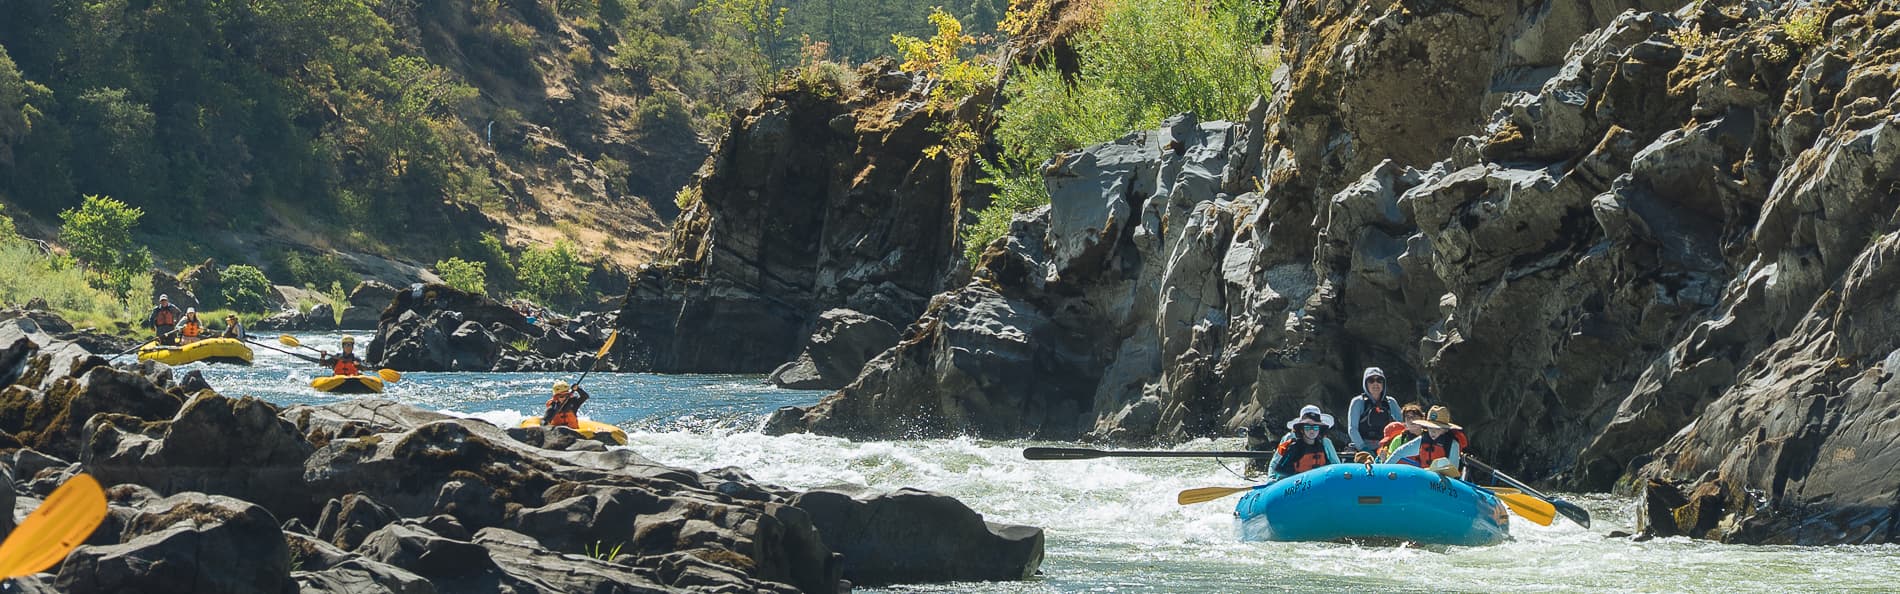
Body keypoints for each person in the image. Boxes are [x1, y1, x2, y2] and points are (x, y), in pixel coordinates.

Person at [1386, 405, 1468, 474]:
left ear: (1445, 429)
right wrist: (1384, 469)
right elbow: (1400, 453)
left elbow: (1453, 471)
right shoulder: (1422, 440)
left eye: (1437, 428)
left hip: (1443, 485)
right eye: (1430, 427)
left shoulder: (1452, 444)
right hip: (1425, 480)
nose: (1433, 431)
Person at [1267, 405, 1341, 480]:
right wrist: (1271, 479)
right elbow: (1276, 464)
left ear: (1319, 429)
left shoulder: (1324, 443)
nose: (1312, 430)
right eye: (1308, 427)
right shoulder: (1291, 442)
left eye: (1315, 427)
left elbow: (1336, 464)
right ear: (1301, 429)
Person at [1346, 367, 1400, 452]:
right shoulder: (1358, 402)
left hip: (1386, 449)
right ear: (1366, 384)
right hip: (1362, 449)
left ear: (1383, 384)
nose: (1375, 383)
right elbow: (1352, 429)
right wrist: (1364, 449)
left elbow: (1400, 426)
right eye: (1371, 380)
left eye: (1379, 380)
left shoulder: (1391, 402)